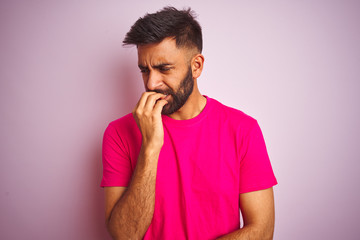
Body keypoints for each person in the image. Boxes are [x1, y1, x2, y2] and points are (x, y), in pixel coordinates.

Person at [100, 6, 277, 240]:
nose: (152, 83)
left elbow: (262, 231)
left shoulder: (243, 130)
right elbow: (125, 236)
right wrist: (150, 148)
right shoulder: (119, 133)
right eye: (145, 70)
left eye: (164, 69)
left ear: (196, 66)